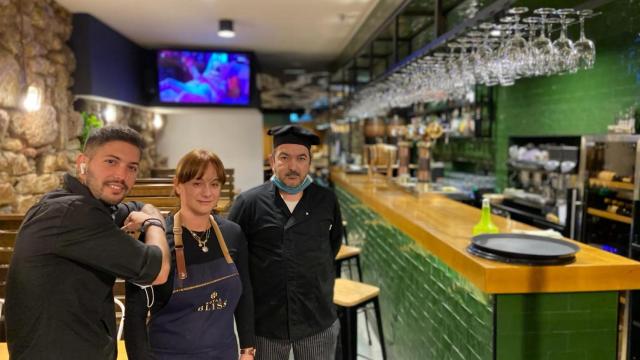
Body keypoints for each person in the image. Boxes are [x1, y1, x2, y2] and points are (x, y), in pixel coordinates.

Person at [5, 125, 171, 359]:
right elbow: (159, 270)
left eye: (131, 167)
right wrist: (154, 223)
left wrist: (146, 208)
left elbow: (128, 208)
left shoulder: (68, 202)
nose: (121, 176)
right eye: (111, 162)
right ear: (83, 162)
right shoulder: (75, 213)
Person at [124, 149, 256, 359]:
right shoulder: (155, 239)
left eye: (214, 184)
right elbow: (134, 314)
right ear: (178, 185)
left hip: (224, 353)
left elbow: (245, 294)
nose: (207, 192)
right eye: (197, 183)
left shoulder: (232, 234)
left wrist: (247, 349)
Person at [228, 125, 343, 360]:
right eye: (284, 157)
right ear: (272, 161)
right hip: (266, 324)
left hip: (316, 318)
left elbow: (333, 245)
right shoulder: (248, 203)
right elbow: (234, 260)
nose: (293, 166)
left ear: (309, 162)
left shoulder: (326, 200)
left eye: (301, 158)